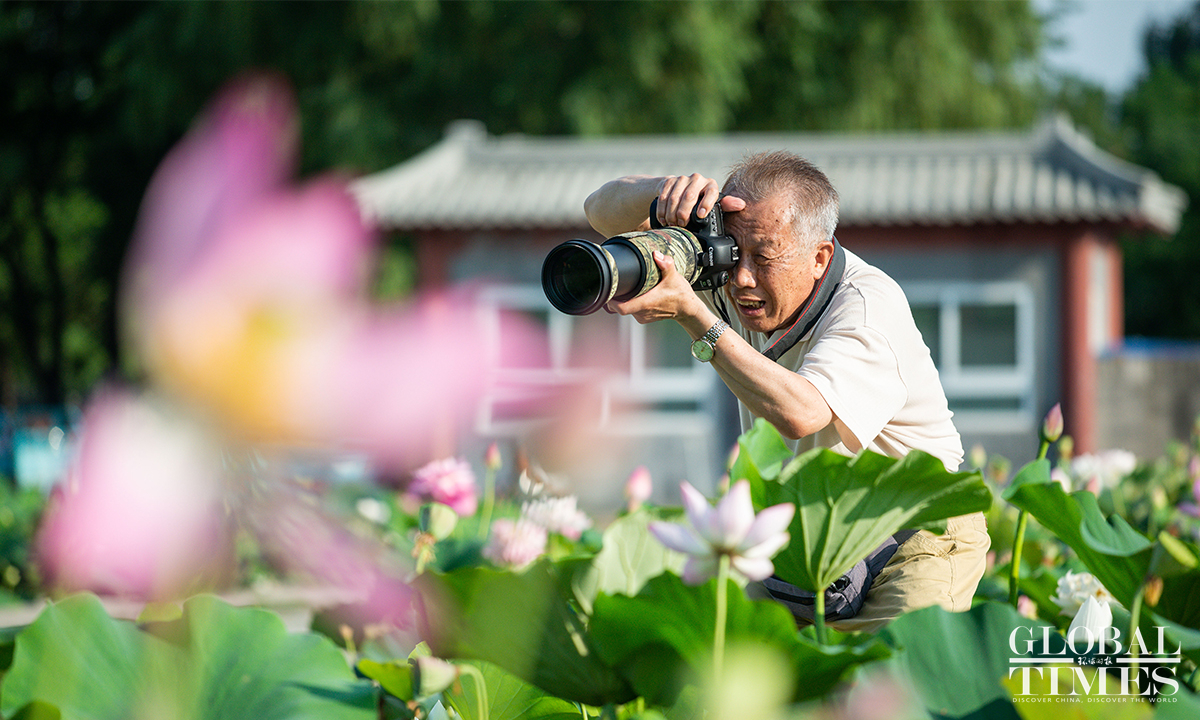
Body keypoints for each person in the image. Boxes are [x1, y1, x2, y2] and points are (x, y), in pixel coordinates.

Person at [583, 151, 989, 632]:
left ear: (820, 258)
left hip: (915, 536)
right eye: (735, 253)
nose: (742, 278)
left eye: (765, 257)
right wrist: (664, 192)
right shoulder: (733, 277)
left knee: (894, 690)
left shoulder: (865, 307)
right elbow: (599, 211)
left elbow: (802, 412)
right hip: (804, 536)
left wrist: (697, 319)